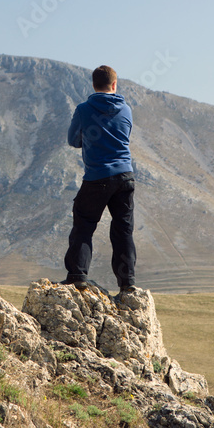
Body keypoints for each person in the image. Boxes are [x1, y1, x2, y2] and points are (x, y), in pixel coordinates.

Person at [62, 65, 137, 296]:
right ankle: (128, 283)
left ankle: (77, 276)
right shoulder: (126, 109)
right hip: (125, 176)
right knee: (123, 230)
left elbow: (73, 140)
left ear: (93, 85)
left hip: (97, 177)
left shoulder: (84, 109)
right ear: (114, 85)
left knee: (84, 225)